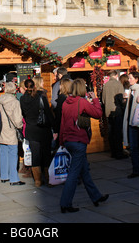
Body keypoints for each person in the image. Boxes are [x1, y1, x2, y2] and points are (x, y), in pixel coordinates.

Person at [59, 78, 108, 213]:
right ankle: (65, 203)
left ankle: (96, 196)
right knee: (74, 174)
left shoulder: (65, 103)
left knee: (84, 170)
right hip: (79, 141)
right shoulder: (82, 102)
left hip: (69, 140)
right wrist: (96, 100)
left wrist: (62, 141)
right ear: (82, 89)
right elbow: (98, 114)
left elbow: (62, 123)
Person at [20, 78, 55, 187]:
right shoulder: (41, 97)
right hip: (43, 129)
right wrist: (55, 128)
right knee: (46, 154)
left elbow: (24, 114)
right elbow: (48, 114)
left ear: (25, 88)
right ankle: (49, 179)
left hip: (31, 129)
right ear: (34, 86)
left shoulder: (22, 99)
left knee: (35, 155)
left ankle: (38, 181)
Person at [0, 81, 25, 186]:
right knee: (13, 154)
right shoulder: (15, 102)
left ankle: (4, 175)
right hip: (11, 130)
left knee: (3, 152)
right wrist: (20, 126)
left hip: (1, 130)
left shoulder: (0, 100)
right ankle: (14, 178)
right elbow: (18, 120)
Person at [102, 70, 127, 159]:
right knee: (117, 133)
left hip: (108, 112)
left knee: (111, 133)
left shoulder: (105, 85)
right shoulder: (118, 84)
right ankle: (119, 153)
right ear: (116, 75)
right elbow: (121, 99)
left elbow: (103, 100)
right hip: (117, 111)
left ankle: (113, 152)